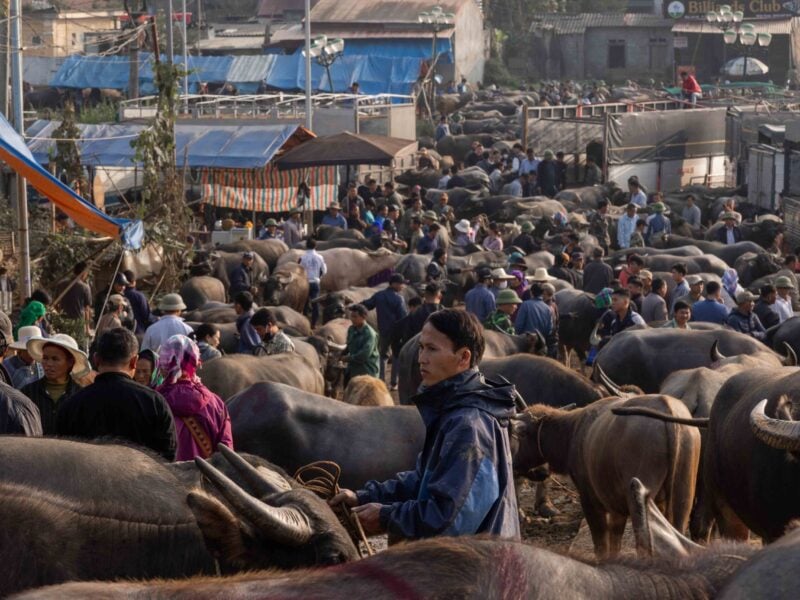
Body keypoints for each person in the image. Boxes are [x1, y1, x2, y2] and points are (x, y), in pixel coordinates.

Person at [329, 309, 520, 541]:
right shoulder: (453, 410)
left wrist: (386, 516)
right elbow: (424, 481)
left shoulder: (470, 425)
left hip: (476, 568)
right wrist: (364, 497)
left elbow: (451, 519)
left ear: (463, 357)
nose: (421, 358)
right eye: (421, 348)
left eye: (432, 349)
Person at [57, 328, 177, 460]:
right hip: (141, 479)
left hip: (85, 479)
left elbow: (61, 456)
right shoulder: (154, 402)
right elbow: (167, 458)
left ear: (96, 360)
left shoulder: (72, 405)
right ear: (134, 362)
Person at [156, 335, 233, 460]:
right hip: (202, 477)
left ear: (164, 364)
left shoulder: (152, 401)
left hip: (163, 477)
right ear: (196, 363)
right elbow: (226, 454)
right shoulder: (216, 404)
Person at [21, 333, 89, 435]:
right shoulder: (28, 393)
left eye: (55, 359)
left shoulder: (81, 396)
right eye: (45, 358)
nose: (48, 364)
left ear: (70, 362)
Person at [362, 274, 408, 390]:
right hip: (397, 331)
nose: (403, 286)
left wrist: (355, 305)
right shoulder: (399, 298)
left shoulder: (379, 295)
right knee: (396, 355)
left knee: (382, 356)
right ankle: (394, 383)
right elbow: (403, 317)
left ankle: (381, 381)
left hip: (383, 330)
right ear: (394, 284)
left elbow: (367, 305)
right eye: (401, 283)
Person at [343, 304, 379, 383]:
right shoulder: (351, 329)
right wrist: (340, 354)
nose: (352, 319)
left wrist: (347, 358)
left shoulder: (370, 334)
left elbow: (364, 355)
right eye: (351, 316)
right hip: (353, 369)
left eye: (355, 317)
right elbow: (349, 345)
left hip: (366, 371)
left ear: (363, 317)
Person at [297, 237, 327, 327]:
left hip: (305, 283)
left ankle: (305, 323)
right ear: (316, 246)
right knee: (315, 303)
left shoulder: (302, 258)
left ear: (306, 246)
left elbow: (298, 269)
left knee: (305, 303)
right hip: (315, 282)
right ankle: (314, 324)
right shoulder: (320, 257)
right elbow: (324, 270)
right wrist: (319, 276)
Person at [59, 261, 93, 334]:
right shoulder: (85, 287)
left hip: (63, 321)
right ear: (84, 273)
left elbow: (56, 303)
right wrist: (87, 329)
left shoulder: (61, 284)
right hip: (78, 324)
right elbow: (87, 309)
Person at [5, 326, 44, 390]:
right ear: (19, 350)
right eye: (29, 350)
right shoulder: (7, 366)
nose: (33, 354)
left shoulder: (43, 365)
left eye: (35, 350)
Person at [122, 270, 152, 335]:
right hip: (138, 331)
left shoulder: (118, 296)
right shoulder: (139, 296)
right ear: (134, 282)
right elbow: (146, 315)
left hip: (121, 332)